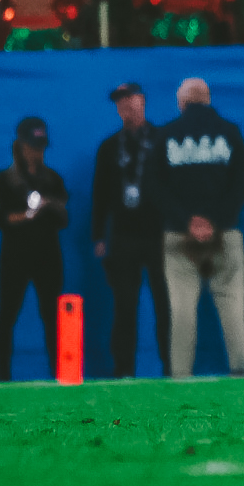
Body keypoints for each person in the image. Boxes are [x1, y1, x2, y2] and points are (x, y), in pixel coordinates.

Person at [155, 77, 244, 379]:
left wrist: (188, 220)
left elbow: (155, 187)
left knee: (182, 309)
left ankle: (181, 376)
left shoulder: (167, 135)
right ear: (208, 99)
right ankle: (242, 371)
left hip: (179, 234)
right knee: (232, 305)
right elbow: (242, 182)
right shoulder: (229, 132)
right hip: (224, 232)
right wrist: (215, 219)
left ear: (181, 103)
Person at [91, 80, 169, 377]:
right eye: (119, 102)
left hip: (159, 234)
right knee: (124, 305)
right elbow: (99, 194)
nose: (125, 106)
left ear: (142, 101)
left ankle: (171, 367)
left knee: (165, 303)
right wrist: (98, 235)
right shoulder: (110, 147)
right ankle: (123, 369)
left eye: (129, 99)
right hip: (123, 235)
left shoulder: (162, 139)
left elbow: (174, 187)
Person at [0, 115, 69, 381]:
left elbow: (64, 219)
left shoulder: (53, 180)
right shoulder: (5, 180)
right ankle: (3, 377)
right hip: (15, 256)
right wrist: (27, 215)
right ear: (21, 145)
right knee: (8, 314)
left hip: (48, 255)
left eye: (41, 146)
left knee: (53, 315)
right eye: (32, 146)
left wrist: (50, 204)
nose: (37, 152)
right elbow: (0, 218)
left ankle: (60, 374)